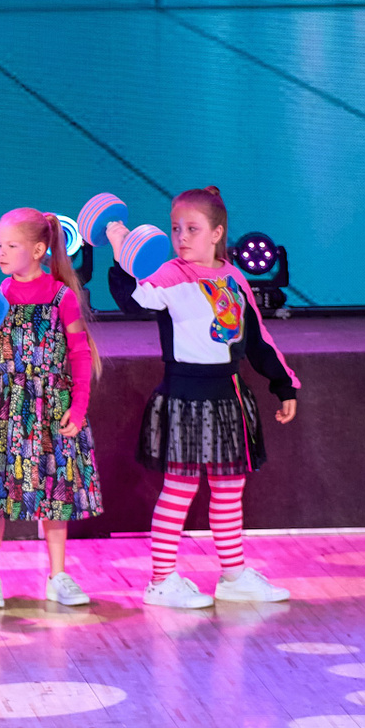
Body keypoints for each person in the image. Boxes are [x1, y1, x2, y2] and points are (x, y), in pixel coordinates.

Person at [107, 186, 299, 609]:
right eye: (176, 229)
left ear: (217, 233)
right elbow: (134, 301)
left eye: (192, 229)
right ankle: (162, 580)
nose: (181, 237)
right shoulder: (169, 276)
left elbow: (257, 340)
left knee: (229, 490)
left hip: (227, 399)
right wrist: (121, 257)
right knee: (179, 489)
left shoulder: (234, 279)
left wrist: (283, 384)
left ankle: (233, 577)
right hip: (185, 398)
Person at [0, 208, 103, 610]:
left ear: (37, 250)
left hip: (49, 404)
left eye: (11, 245)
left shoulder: (62, 297)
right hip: (0, 403)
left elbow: (79, 353)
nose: (1, 252)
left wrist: (79, 406)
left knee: (54, 488)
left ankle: (58, 575)